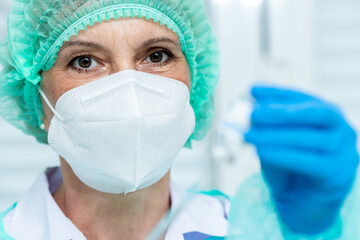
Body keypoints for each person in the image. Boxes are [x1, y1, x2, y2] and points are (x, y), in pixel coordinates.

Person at [0, 0, 358, 239]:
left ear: (193, 81)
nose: (129, 91)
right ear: (37, 96)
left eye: (156, 55)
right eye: (84, 61)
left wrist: (314, 232)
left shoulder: (247, 230)